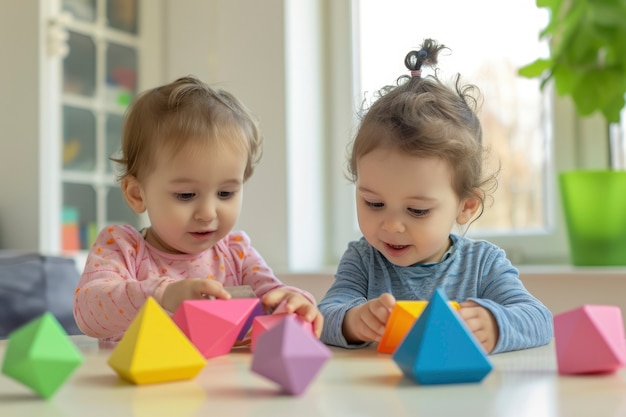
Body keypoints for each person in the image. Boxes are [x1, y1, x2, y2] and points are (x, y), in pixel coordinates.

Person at [318, 39, 553, 354]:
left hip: (460, 397)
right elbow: (324, 314)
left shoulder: (483, 265)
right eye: (374, 203)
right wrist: (353, 320)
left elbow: (539, 319)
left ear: (466, 206)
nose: (391, 225)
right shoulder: (363, 261)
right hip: (380, 398)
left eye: (416, 210)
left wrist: (495, 325)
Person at [73, 75, 323, 342]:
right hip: (143, 382)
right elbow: (88, 312)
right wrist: (164, 295)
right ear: (137, 194)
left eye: (226, 193)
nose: (208, 213)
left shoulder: (236, 252)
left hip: (219, 382)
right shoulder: (123, 248)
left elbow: (273, 296)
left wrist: (296, 302)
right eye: (186, 195)